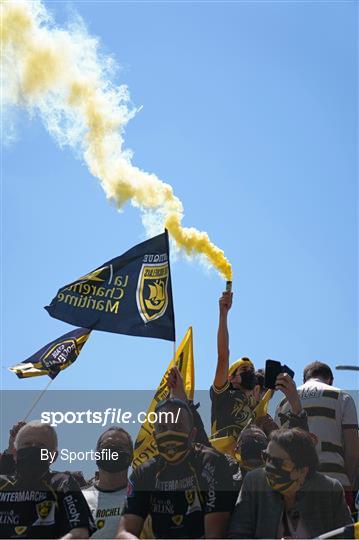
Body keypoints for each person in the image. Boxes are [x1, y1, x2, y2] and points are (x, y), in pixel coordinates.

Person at [117, 398, 234, 539]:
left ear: (192, 435)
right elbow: (125, 532)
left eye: (177, 427)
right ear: (154, 437)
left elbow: (215, 535)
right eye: (162, 428)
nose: (169, 433)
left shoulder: (212, 462)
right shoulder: (143, 473)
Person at [228, 427, 353, 539]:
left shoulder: (330, 489)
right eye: (266, 457)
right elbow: (238, 534)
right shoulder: (254, 482)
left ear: (303, 471)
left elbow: (348, 535)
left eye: (277, 462)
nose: (268, 467)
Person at [0, 420, 95, 539]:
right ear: (15, 452)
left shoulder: (62, 482)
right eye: (27, 444)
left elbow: (80, 531)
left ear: (53, 456)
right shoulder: (2, 483)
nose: (33, 448)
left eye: (41, 446)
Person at [276, 361, 359, 491]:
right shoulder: (342, 397)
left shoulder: (283, 402)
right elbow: (353, 453)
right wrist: (351, 484)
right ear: (330, 380)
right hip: (336, 482)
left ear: (304, 379)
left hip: (294, 486)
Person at [210, 290, 258, 439]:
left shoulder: (257, 403)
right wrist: (223, 315)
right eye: (244, 369)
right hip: (223, 457)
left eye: (252, 370)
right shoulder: (223, 396)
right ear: (231, 377)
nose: (250, 372)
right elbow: (223, 356)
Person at [82, 427, 133, 538]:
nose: (112, 449)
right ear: (96, 455)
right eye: (107, 445)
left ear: (131, 457)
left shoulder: (141, 498)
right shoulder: (78, 499)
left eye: (120, 446)